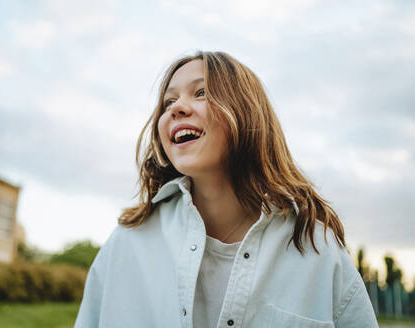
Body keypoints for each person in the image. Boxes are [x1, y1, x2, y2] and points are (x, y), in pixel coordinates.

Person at [74, 51, 378, 328]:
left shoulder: (318, 250)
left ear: (247, 111)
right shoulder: (126, 244)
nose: (177, 108)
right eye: (169, 102)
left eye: (202, 93)